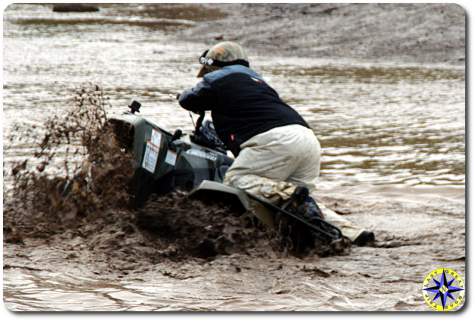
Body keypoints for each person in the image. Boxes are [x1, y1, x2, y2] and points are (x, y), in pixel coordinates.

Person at [178, 41, 374, 245]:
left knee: (235, 179)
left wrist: (181, 95)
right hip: (306, 138)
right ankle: (354, 234)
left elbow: (189, 99)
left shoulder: (218, 77)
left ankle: (288, 191)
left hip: (276, 141)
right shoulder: (258, 82)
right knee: (300, 205)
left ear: (213, 65)